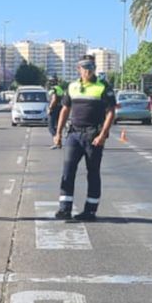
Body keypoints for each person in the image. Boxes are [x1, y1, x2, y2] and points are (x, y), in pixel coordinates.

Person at [53, 57, 117, 221]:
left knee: (93, 173)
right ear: (78, 69)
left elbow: (111, 112)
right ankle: (64, 209)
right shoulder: (73, 87)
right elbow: (65, 110)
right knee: (68, 171)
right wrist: (58, 133)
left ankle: (90, 211)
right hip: (74, 134)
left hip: (93, 135)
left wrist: (102, 135)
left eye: (91, 67)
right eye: (85, 67)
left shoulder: (103, 87)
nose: (88, 70)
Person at [45, 82, 64, 148]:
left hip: (54, 109)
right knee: (57, 126)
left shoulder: (53, 89)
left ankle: (56, 142)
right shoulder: (59, 88)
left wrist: (50, 108)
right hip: (60, 108)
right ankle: (59, 142)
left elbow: (54, 99)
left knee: (51, 127)